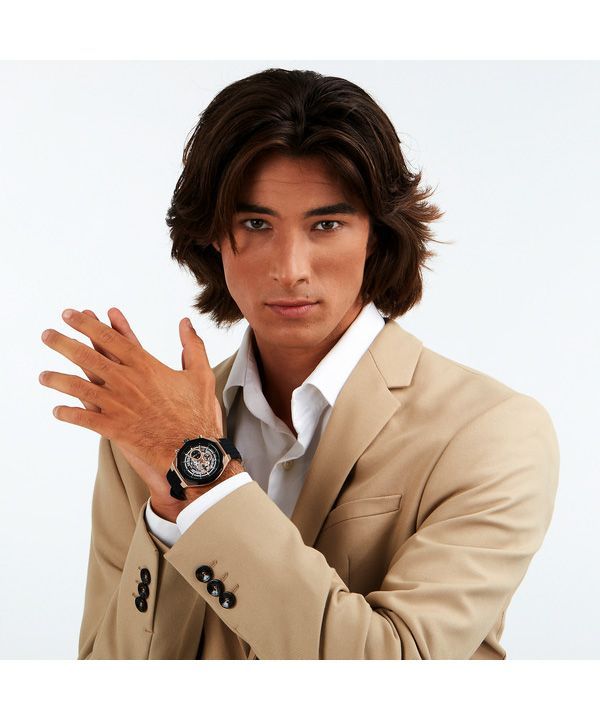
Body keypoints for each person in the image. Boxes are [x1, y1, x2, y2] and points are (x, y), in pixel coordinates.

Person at [74, 68, 559, 659]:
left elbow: (393, 668)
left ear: (377, 236)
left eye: (326, 225)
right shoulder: (149, 432)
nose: (290, 269)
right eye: (256, 224)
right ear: (212, 237)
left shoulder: (492, 431)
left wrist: (205, 478)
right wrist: (172, 500)